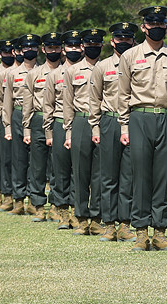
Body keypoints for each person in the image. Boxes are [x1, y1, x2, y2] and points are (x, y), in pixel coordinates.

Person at [117, 6, 167, 251]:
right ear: (144, 27)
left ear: (166, 26)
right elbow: (123, 95)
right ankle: (140, 232)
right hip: (139, 119)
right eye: (152, 24)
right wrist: (124, 127)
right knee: (141, 176)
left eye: (161, 24)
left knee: (163, 177)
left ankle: (160, 231)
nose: (156, 28)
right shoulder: (130, 56)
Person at [89, 23, 138, 242]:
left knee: (128, 176)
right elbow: (94, 99)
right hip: (109, 122)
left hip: (134, 122)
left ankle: (126, 224)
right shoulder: (102, 67)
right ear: (112, 41)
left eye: (128, 39)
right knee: (108, 176)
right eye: (120, 39)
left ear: (133, 41)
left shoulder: (140, 63)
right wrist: (95, 127)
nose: (124, 43)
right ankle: (108, 224)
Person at [63, 29, 105, 235]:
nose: (92, 47)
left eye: (96, 44)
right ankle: (80, 217)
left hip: (103, 122)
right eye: (88, 44)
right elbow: (68, 104)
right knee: (79, 172)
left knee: (99, 172)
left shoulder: (108, 67)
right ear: (82, 46)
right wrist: (68, 132)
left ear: (102, 46)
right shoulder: (72, 71)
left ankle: (96, 218)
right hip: (80, 122)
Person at [22, 34, 61, 221]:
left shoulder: (65, 72)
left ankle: (55, 205)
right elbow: (27, 104)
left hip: (58, 120)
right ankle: (37, 205)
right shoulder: (34, 74)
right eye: (50, 48)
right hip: (38, 121)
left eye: (56, 48)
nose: (53, 51)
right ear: (43, 50)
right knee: (37, 166)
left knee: (57, 166)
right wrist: (27, 129)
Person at [45, 31, 82, 228]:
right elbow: (48, 107)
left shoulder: (90, 70)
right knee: (60, 170)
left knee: (79, 170)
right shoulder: (54, 75)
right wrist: (49, 133)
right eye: (70, 46)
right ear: (64, 49)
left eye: (77, 46)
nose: (74, 50)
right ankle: (61, 212)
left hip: (81, 123)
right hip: (59, 123)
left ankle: (77, 211)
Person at [5, 35, 40, 215]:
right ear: (20, 50)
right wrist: (7, 127)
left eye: (33, 47)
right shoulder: (12, 74)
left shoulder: (43, 71)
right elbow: (6, 103)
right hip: (18, 114)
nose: (29, 50)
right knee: (19, 160)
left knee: (36, 161)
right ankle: (18, 200)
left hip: (36, 115)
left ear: (38, 49)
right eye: (25, 47)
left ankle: (35, 201)